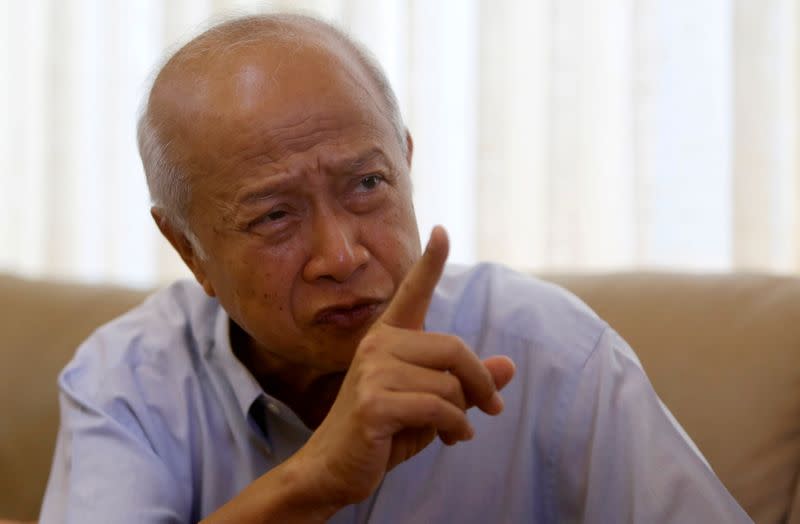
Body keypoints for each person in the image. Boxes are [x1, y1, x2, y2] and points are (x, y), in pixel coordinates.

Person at [39, 13, 752, 524]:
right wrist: (312, 484)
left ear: (407, 164)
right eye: (274, 216)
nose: (342, 254)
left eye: (367, 185)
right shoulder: (126, 378)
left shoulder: (551, 353)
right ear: (188, 248)